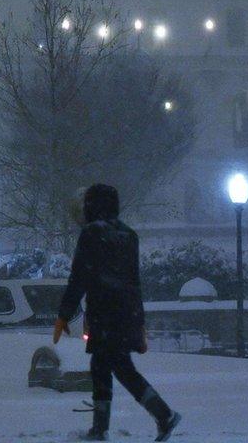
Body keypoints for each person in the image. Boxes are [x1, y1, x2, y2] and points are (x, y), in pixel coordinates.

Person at [54, 184, 180, 441]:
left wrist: (64, 314)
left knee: (117, 367)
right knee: (104, 365)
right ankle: (102, 428)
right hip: (127, 314)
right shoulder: (128, 235)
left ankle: (162, 414)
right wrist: (139, 322)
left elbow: (80, 276)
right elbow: (134, 282)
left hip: (104, 314)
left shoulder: (92, 234)